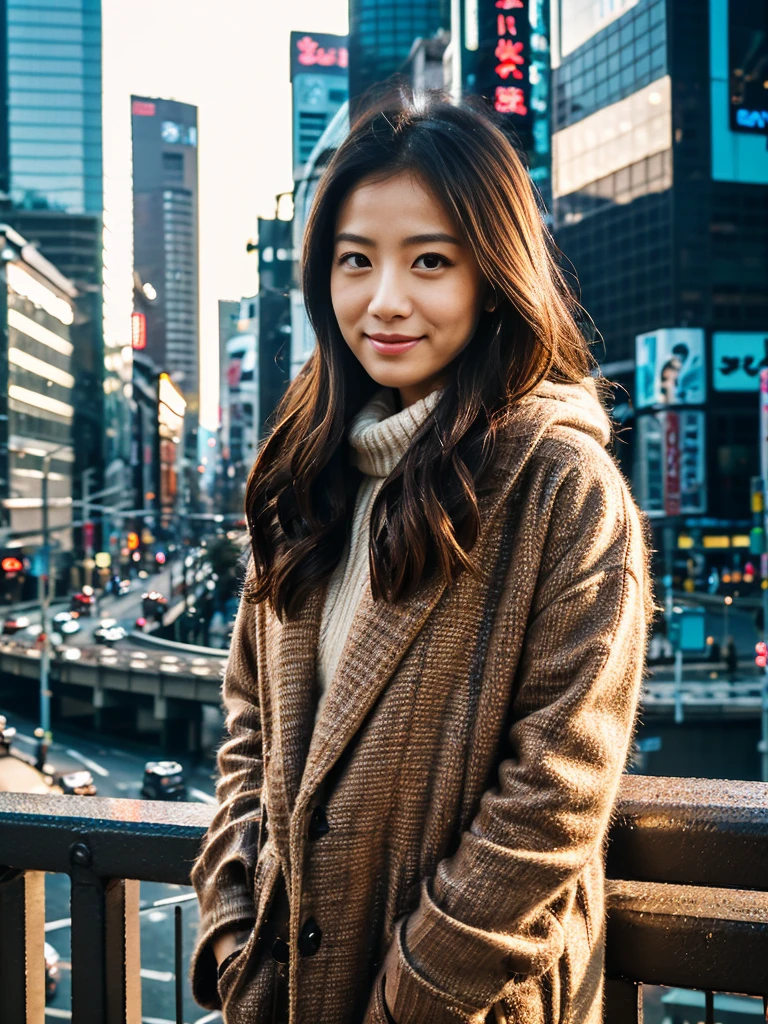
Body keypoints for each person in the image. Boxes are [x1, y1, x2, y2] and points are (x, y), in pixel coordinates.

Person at [189, 92, 651, 1024]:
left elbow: (555, 792)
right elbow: (251, 726)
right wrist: (235, 920)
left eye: (430, 262)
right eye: (355, 261)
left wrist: (417, 994)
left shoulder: (562, 483)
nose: (385, 300)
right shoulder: (304, 472)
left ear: (494, 276)